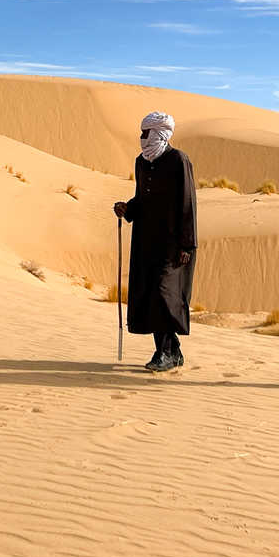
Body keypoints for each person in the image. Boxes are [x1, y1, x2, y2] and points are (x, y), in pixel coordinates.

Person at [113, 111, 197, 372]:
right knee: (150, 295)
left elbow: (187, 203)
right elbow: (143, 198)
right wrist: (128, 209)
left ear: (159, 133)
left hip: (172, 245)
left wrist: (187, 245)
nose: (141, 138)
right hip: (145, 240)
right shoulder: (141, 161)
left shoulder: (177, 160)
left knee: (164, 295)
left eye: (145, 133)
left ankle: (165, 353)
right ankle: (172, 351)